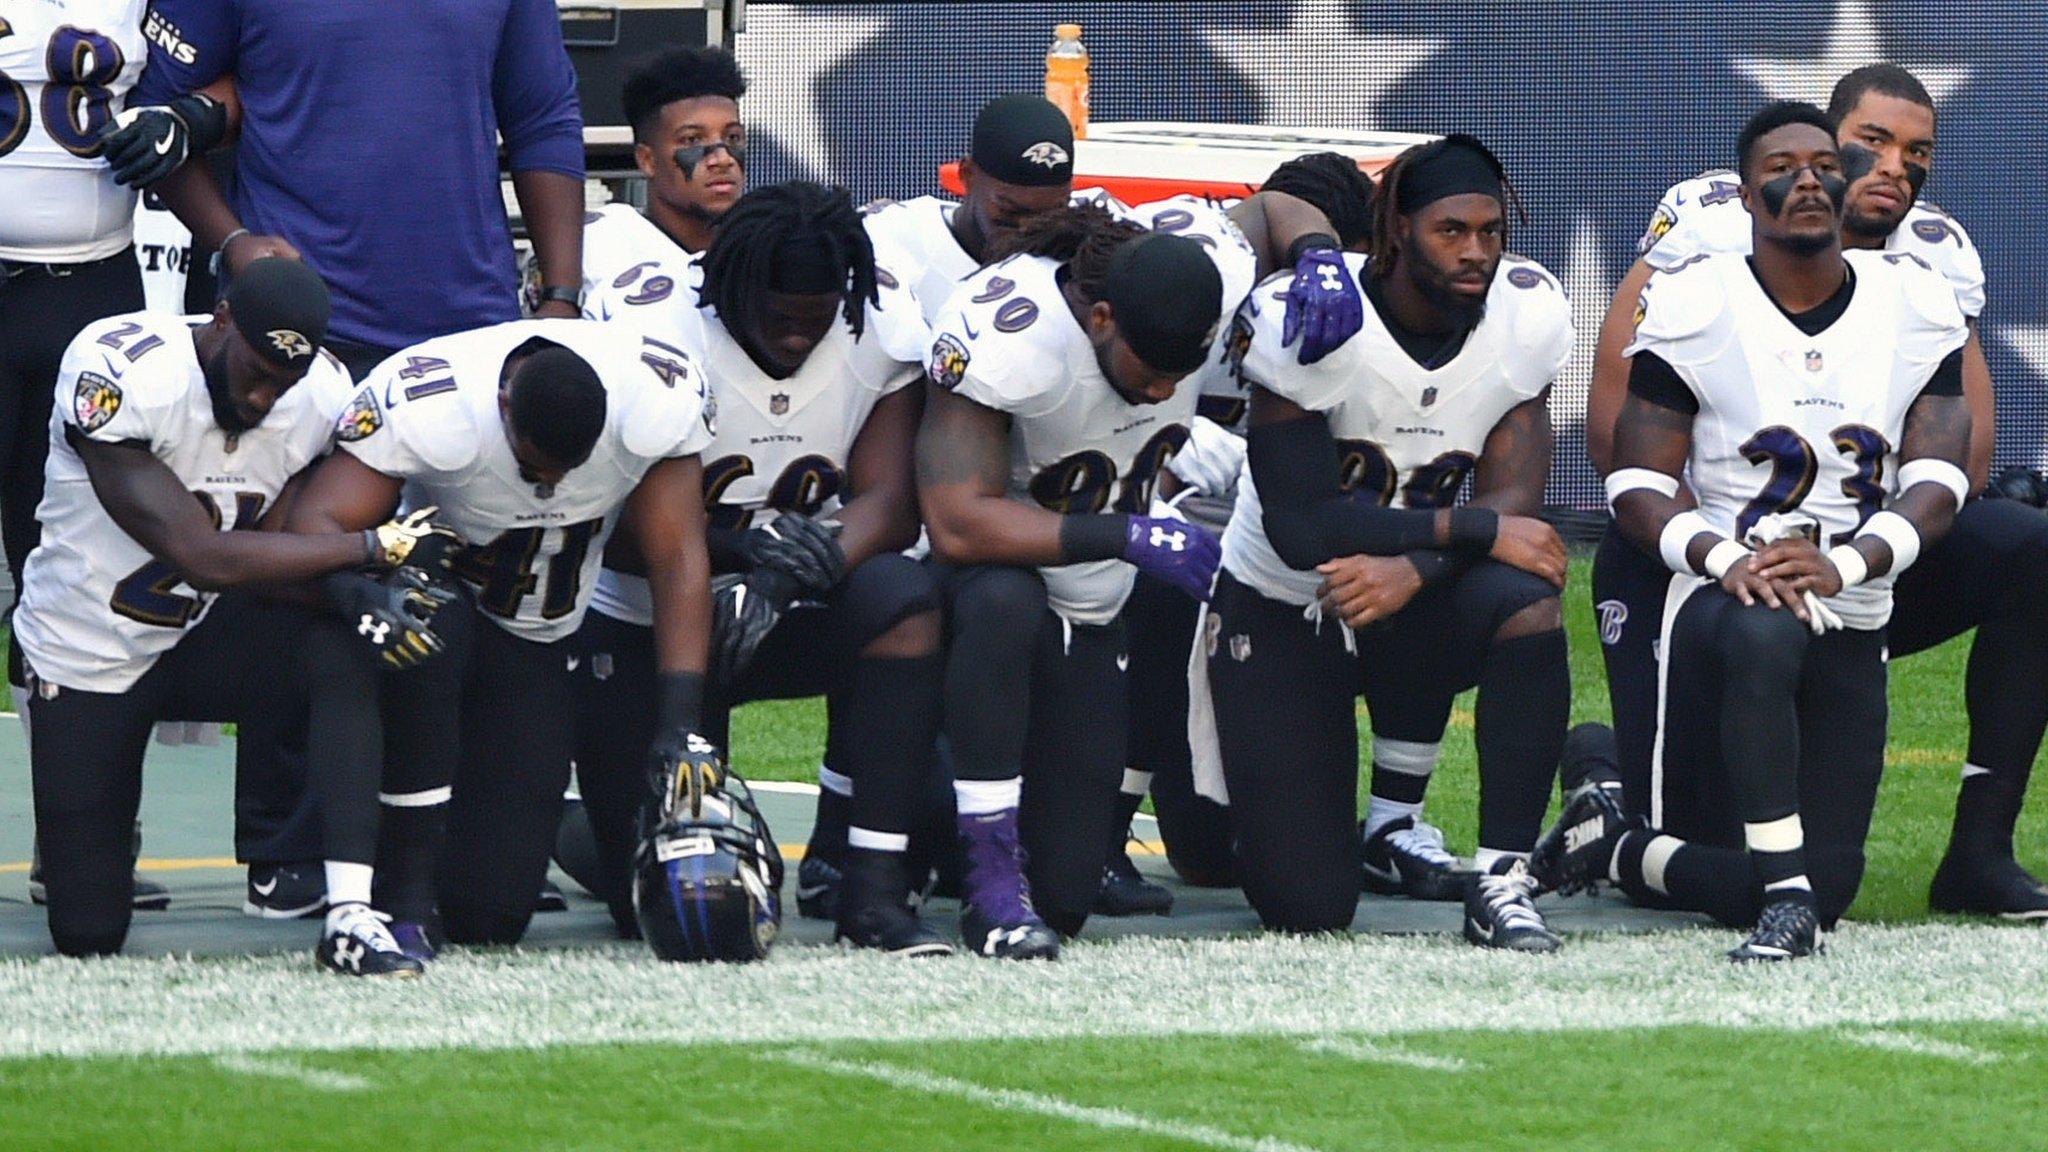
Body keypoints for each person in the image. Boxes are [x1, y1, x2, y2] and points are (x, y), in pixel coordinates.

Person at [1585, 65, 2048, 919]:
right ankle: (1607, 800)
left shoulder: (1926, 267)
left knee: (2033, 548)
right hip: (1709, 570)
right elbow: (1619, 444)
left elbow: (1962, 465)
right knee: (1704, 849)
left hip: (1859, 570)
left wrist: (1848, 559)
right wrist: (1734, 559)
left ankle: (1980, 850)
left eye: (1916, 153)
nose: (1893, 168)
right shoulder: (1708, 231)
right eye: (1870, 143)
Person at [12, 258, 444, 970]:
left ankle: (350, 907)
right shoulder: (124, 370)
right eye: (258, 370)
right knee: (87, 930)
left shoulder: (320, 394)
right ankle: (93, 834)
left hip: (209, 633)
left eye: (286, 381)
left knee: (350, 640)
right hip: (89, 644)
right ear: (221, 320)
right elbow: (201, 555)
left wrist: (360, 588)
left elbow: (282, 541)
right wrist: (366, 549)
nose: (267, 395)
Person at [1198, 136, 1573, 949]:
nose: (1477, 252)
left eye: (1490, 230)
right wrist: (1462, 530)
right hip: (1285, 602)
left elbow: (1516, 496)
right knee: (1304, 904)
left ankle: (1505, 881)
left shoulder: (1526, 314)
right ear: (1397, 230)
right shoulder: (1315, 316)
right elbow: (1304, 527)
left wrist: (1417, 565)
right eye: (1452, 231)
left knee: (1528, 604)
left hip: (1409, 593)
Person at [585, 182, 945, 954]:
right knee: (642, 897)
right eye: (778, 319)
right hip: (657, 612)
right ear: (726, 289)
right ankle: (560, 826)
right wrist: (741, 556)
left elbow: (889, 504)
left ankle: (869, 885)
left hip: (793, 600)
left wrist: (785, 574)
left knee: (904, 596)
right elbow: (632, 537)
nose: (797, 340)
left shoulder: (879, 322)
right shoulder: (658, 329)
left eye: (816, 323)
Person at [285, 318, 716, 950]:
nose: (551, 486)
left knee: (491, 917)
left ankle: (570, 835)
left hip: (538, 637)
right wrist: (365, 592)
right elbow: (316, 523)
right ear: (503, 405)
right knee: (432, 621)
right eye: (536, 465)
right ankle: (396, 879)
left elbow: (677, 556)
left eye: (572, 469)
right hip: (435, 620)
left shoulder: (653, 398)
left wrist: (681, 720)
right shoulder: (432, 404)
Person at [1107, 150, 1381, 913]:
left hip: (1257, 560)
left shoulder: (1351, 331)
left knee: (1214, 856)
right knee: (1168, 581)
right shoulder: (1212, 267)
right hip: (1112, 505)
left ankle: (1394, 822)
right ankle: (1105, 822)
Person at [125, 0, 588, 380]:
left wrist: (562, 295)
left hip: (470, 328)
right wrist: (232, 241)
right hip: (293, 332)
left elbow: (543, 118)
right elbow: (152, 118)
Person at [579, 45, 748, 298]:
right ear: (647, 160)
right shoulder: (596, 248)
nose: (723, 159)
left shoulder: (763, 250)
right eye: (692, 140)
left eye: (733, 137)